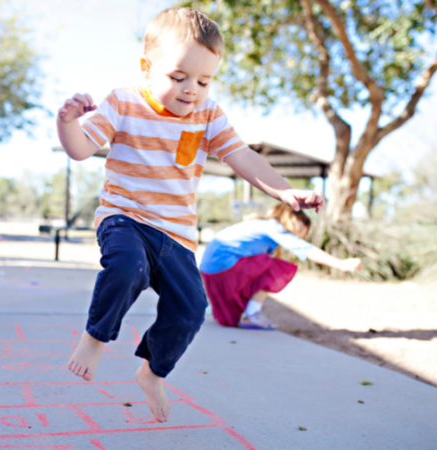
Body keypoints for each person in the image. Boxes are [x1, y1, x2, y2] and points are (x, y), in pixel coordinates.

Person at [56, 7, 324, 423]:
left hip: (176, 236)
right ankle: (95, 337)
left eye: (204, 80)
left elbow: (243, 157)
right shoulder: (123, 102)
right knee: (127, 267)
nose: (191, 90)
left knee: (191, 309)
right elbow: (80, 148)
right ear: (147, 68)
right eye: (178, 77)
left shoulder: (208, 114)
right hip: (124, 217)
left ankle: (152, 370)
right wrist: (68, 122)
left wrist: (286, 191)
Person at [200, 203, 363, 330]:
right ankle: (252, 314)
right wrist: (340, 264)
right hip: (224, 266)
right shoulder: (274, 226)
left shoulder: (259, 224)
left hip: (210, 270)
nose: (297, 235)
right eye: (300, 229)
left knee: (232, 319)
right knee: (277, 268)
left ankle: (249, 313)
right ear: (291, 217)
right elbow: (304, 249)